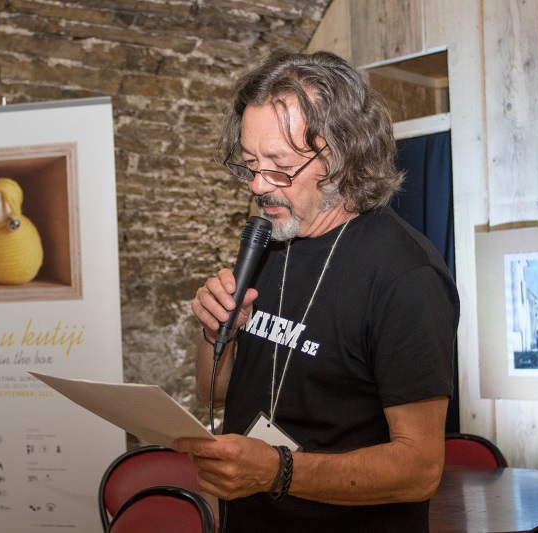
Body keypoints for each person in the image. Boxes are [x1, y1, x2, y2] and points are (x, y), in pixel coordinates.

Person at [172, 50, 460, 532]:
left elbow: (420, 469)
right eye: (250, 164)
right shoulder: (269, 242)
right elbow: (214, 392)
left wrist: (278, 471)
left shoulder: (405, 275)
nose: (258, 186)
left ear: (341, 157)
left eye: (279, 165)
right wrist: (215, 333)